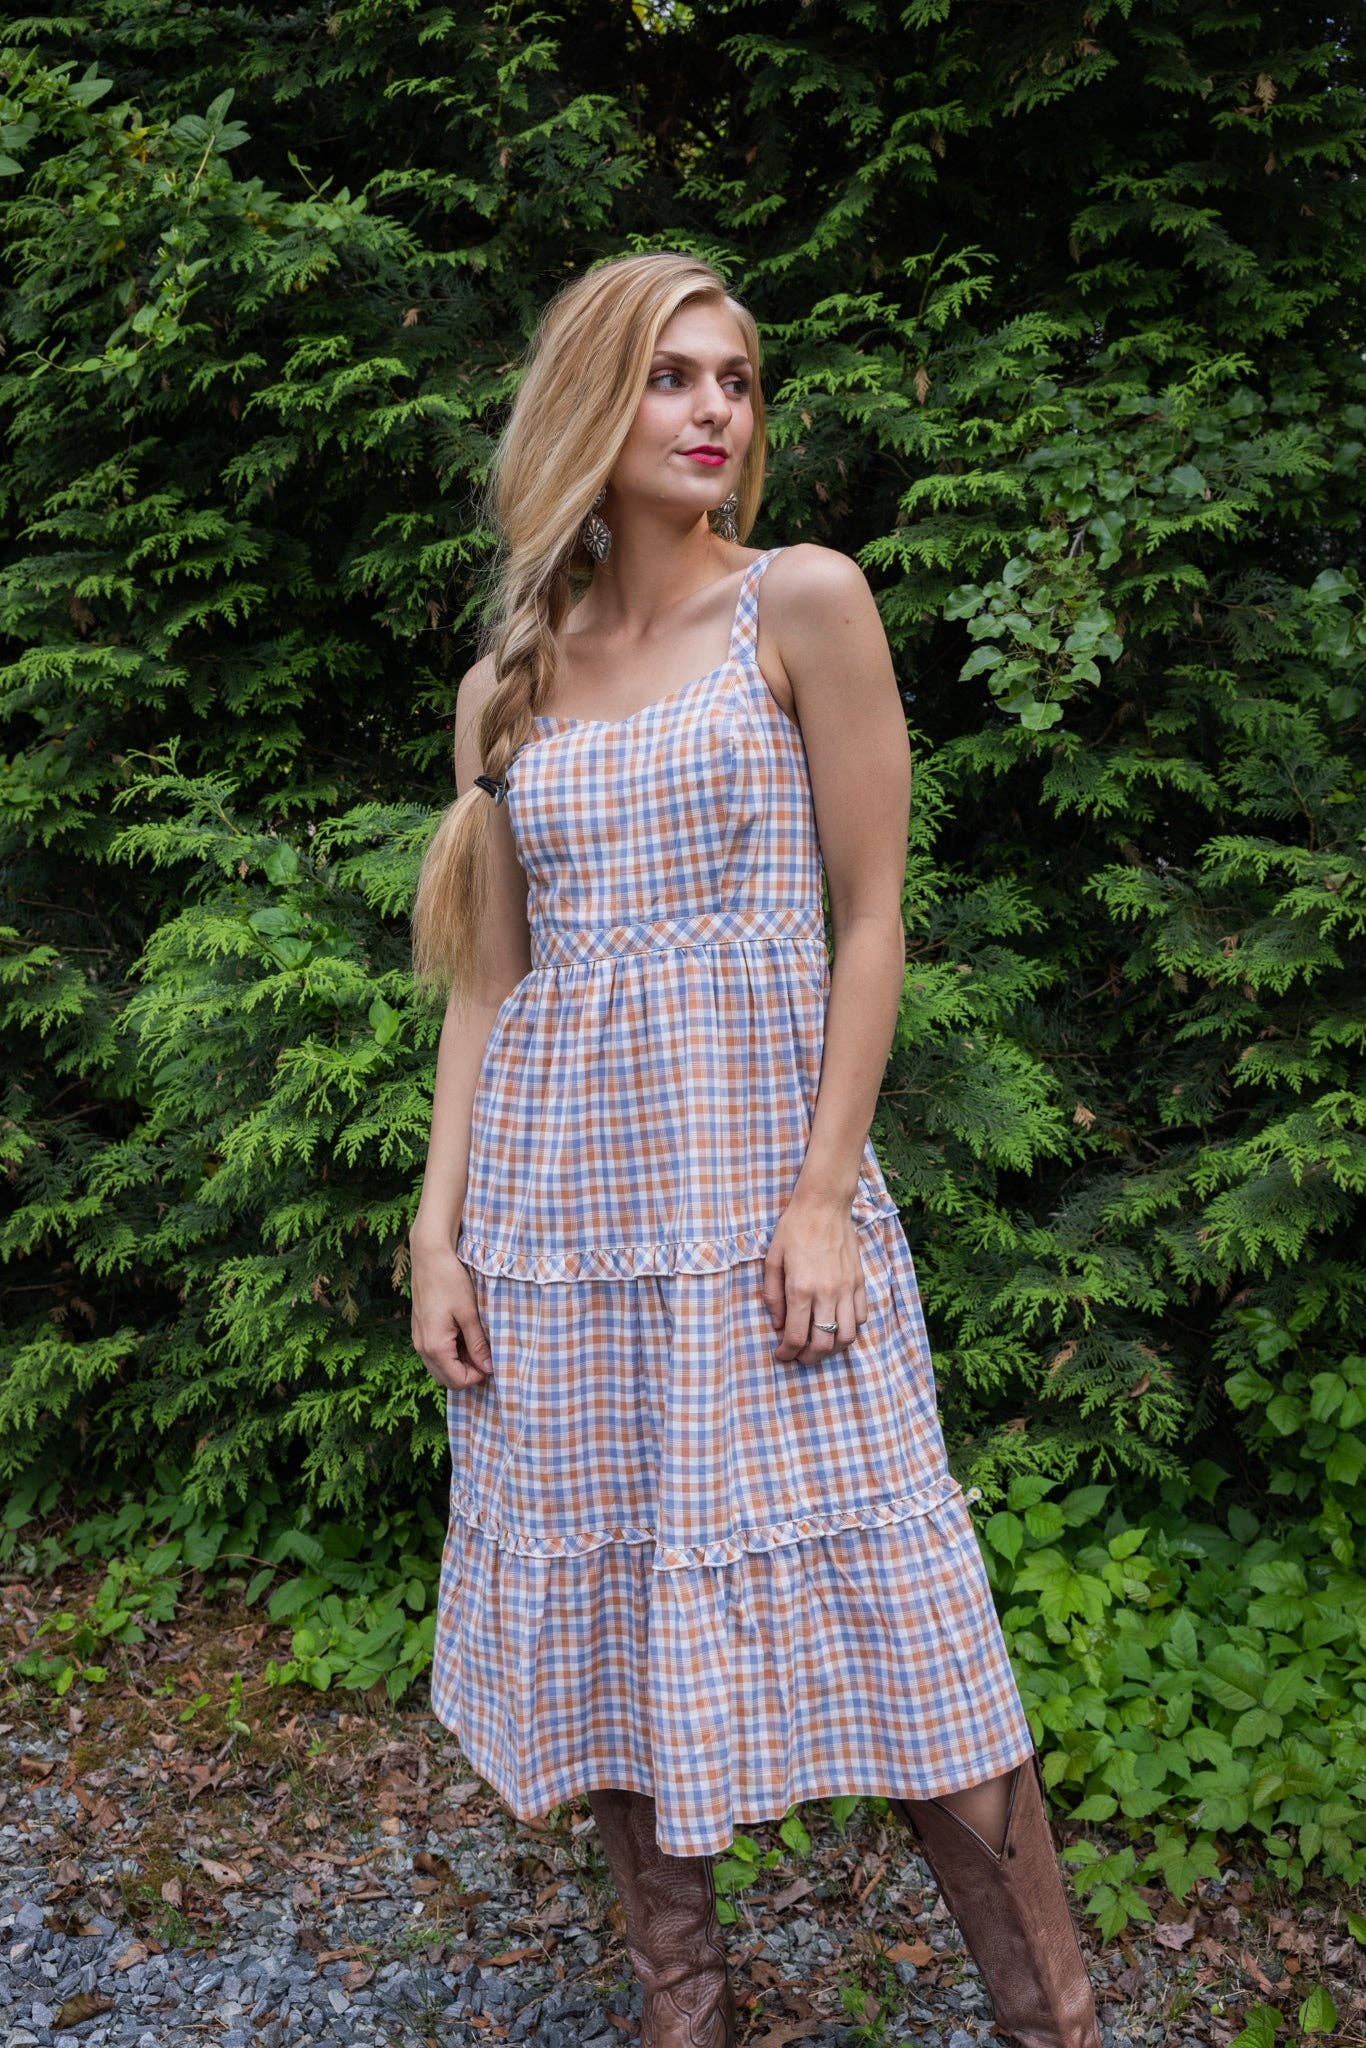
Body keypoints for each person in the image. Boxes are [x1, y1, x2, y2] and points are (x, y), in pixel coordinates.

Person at [407, 251, 1101, 2048]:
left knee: (914, 1624)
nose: (713, 408)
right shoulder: (508, 687)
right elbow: (488, 983)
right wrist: (437, 1234)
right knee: (617, 1616)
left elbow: (871, 920)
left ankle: (1057, 2025)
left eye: (732, 378)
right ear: (589, 402)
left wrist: (819, 1199)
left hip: (762, 1218)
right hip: (561, 1237)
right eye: (670, 376)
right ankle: (684, 2008)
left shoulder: (801, 603)